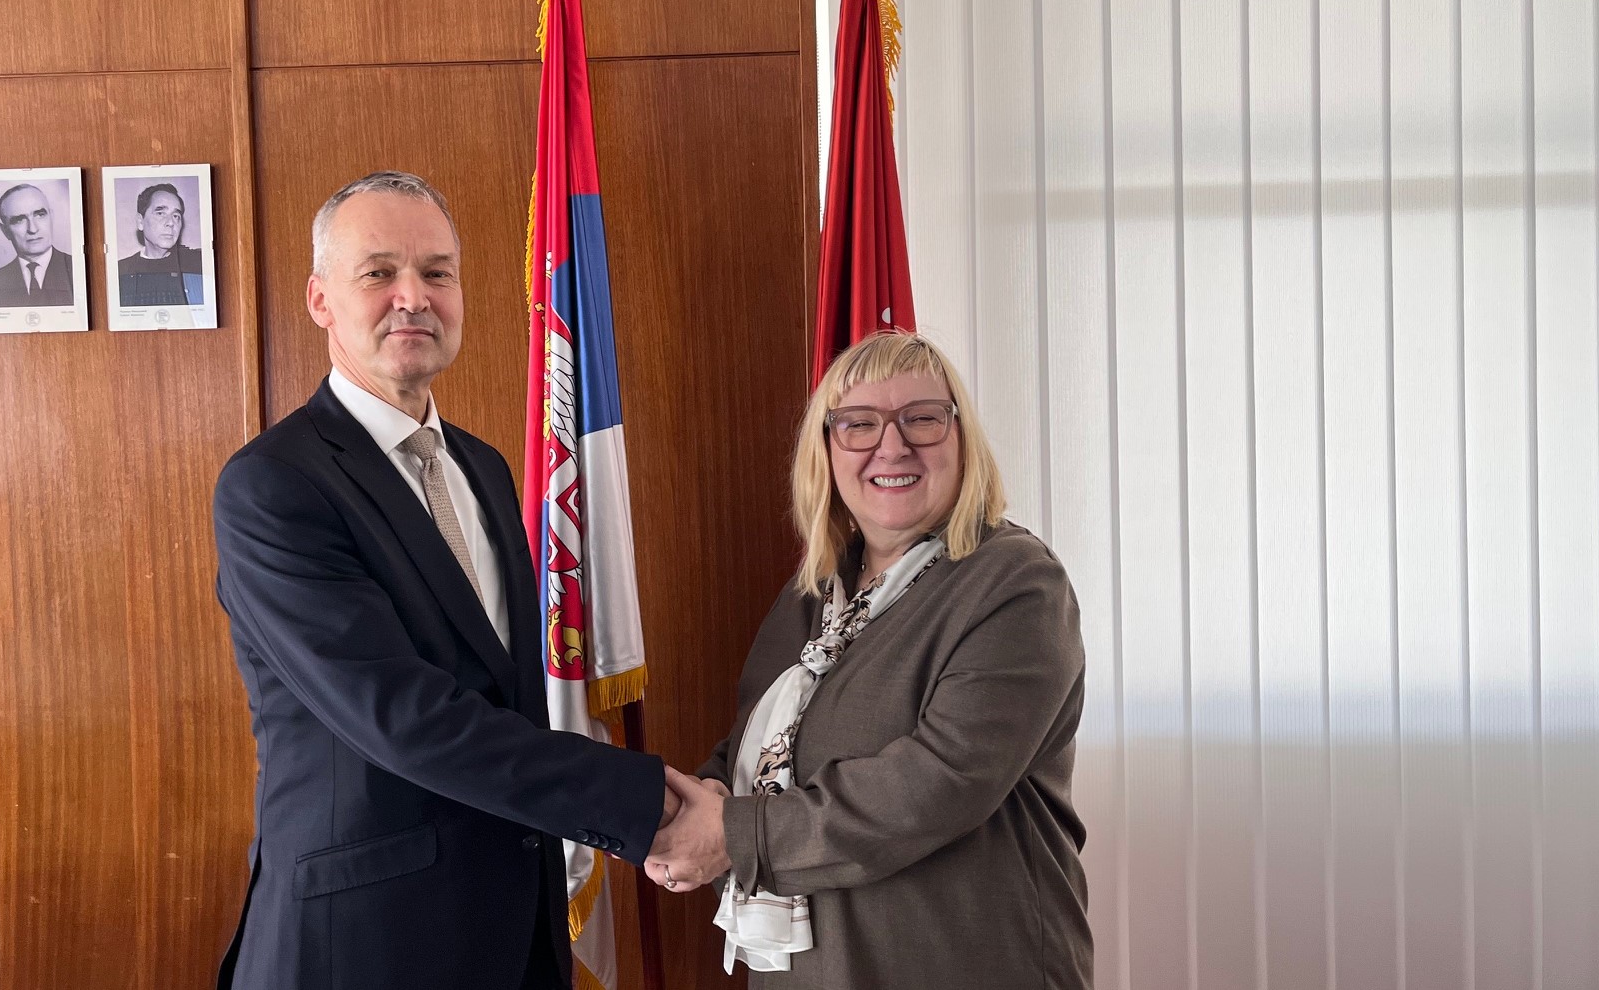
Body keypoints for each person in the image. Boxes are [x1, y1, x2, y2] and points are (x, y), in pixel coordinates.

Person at [211, 171, 691, 990]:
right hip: (361, 947)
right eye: (379, 273)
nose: (414, 297)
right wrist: (650, 807)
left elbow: (503, 696)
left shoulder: (485, 468)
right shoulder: (274, 486)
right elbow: (406, 718)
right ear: (321, 300)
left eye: (437, 272)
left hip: (515, 932)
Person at [645, 330, 1092, 990]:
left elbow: (938, 783)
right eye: (859, 424)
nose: (893, 445)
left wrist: (733, 836)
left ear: (962, 439)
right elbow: (757, 752)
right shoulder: (811, 598)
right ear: (826, 451)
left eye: (922, 419)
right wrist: (688, 805)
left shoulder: (1015, 584)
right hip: (809, 970)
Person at [116, 181, 204, 307]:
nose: (171, 223)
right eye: (160, 213)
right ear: (140, 222)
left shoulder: (199, 264)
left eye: (176, 216)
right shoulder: (120, 271)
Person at [0, 183, 74, 307]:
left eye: (40, 215)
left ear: (51, 217)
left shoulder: (77, 270)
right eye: (19, 220)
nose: (33, 229)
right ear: (5, 231)